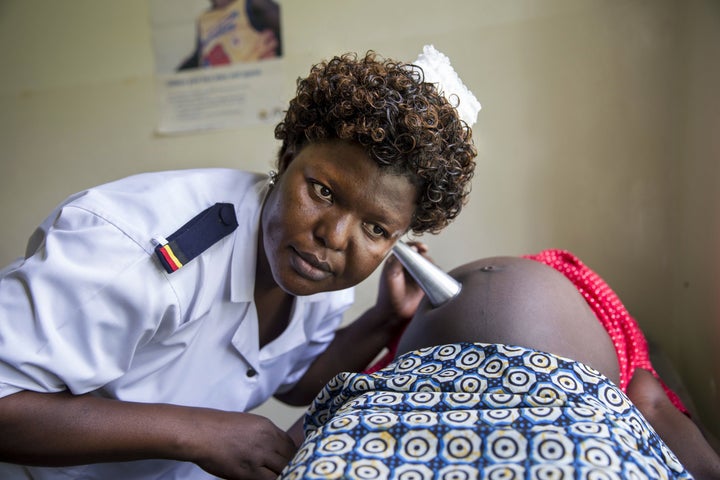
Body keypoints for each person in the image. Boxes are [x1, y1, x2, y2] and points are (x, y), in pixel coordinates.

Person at [0, 49, 478, 479]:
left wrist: (384, 320)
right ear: (288, 156)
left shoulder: (320, 272)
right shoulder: (136, 246)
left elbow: (291, 380)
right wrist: (198, 433)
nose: (333, 237)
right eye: (324, 192)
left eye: (376, 229)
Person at [281, 255, 720, 479]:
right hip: (429, 390)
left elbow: (653, 403)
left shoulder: (616, 334)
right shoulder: (396, 336)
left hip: (558, 398)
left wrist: (290, 447)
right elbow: (652, 404)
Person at [177, 0, 282, 71]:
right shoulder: (204, 18)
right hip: (218, 87)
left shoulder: (252, 4)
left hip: (250, 79)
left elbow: (287, 27)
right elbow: (200, 55)